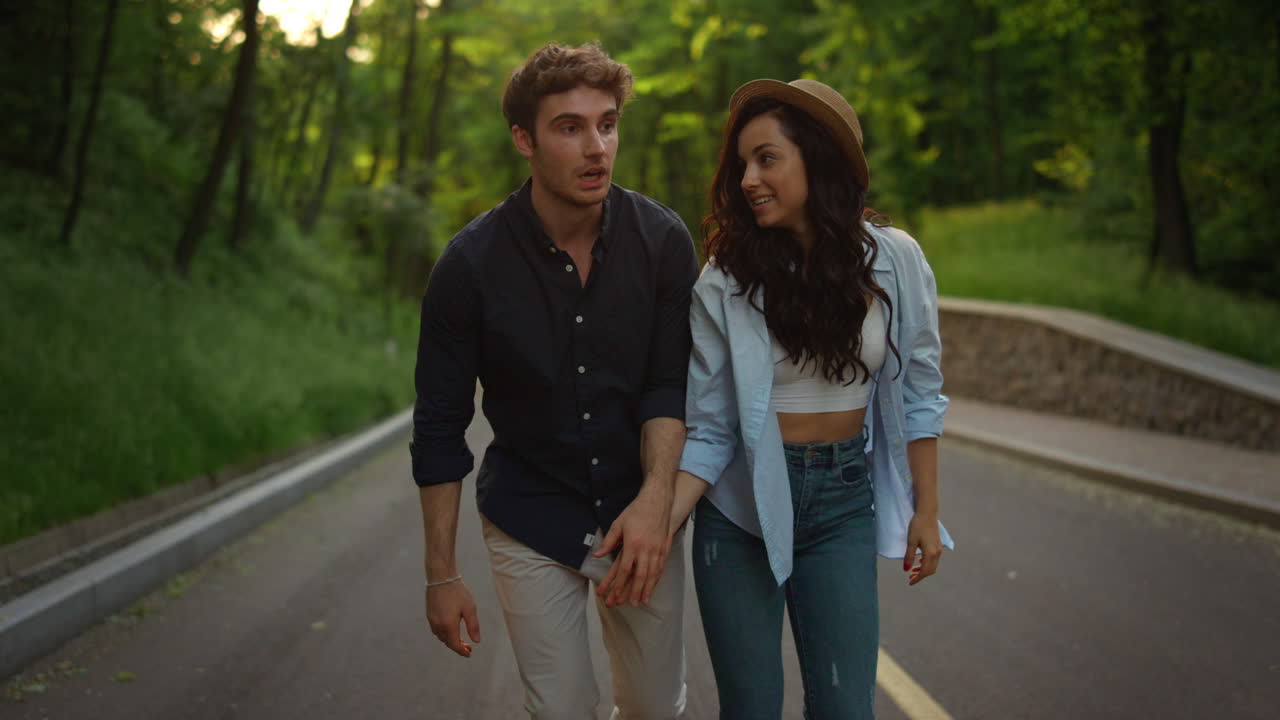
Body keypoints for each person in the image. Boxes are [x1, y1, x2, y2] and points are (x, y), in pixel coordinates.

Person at [410, 43, 698, 719]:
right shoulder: (469, 266)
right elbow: (440, 426)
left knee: (657, 709)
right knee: (563, 709)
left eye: (607, 123)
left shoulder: (662, 242)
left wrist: (658, 502)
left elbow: (669, 385)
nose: (597, 146)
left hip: (638, 514)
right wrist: (440, 575)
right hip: (529, 511)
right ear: (524, 139)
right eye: (570, 127)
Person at [667, 79, 956, 719]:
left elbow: (920, 391)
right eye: (743, 162)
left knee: (846, 709)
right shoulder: (726, 278)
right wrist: (659, 525)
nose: (747, 178)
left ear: (817, 160)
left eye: (766, 158)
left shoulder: (896, 260)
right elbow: (710, 430)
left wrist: (926, 510)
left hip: (843, 503)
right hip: (738, 511)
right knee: (751, 708)